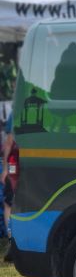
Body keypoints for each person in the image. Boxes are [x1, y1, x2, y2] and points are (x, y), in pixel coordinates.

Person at [1, 110, 14, 262]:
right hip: (36, 163)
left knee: (9, 205)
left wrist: (5, 169)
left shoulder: (16, 112)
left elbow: (9, 142)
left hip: (15, 165)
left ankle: (12, 244)